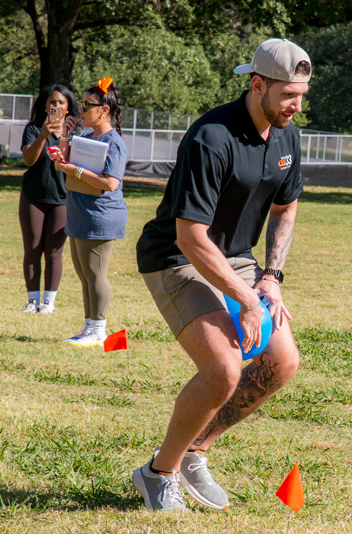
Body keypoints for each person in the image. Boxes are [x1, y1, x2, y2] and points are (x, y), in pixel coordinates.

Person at [133, 38, 311, 512]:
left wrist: (270, 278)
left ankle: (196, 449)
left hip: (236, 257)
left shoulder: (287, 136)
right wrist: (248, 300)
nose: (296, 106)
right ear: (257, 85)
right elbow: (191, 237)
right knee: (224, 370)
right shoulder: (212, 137)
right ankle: (158, 474)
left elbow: (286, 207)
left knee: (281, 361)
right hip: (177, 256)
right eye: (288, 95)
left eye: (301, 96)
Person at [53, 77, 128, 346]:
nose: (81, 110)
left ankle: (98, 331)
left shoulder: (114, 142)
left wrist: (78, 171)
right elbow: (61, 163)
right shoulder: (84, 136)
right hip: (80, 214)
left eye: (87, 105)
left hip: (100, 216)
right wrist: (65, 135)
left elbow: (111, 182)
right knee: (85, 275)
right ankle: (89, 329)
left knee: (95, 274)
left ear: (104, 110)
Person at [19, 84, 79, 314]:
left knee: (54, 252)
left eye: (61, 102)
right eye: (52, 102)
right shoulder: (34, 128)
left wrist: (66, 136)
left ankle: (48, 303)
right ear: (45, 106)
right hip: (33, 197)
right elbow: (28, 160)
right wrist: (43, 134)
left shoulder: (75, 133)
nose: (56, 106)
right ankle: (33, 301)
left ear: (68, 108)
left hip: (62, 199)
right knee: (33, 249)